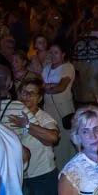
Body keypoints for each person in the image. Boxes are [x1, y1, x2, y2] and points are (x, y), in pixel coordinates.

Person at [42, 42, 76, 170]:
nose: (53, 55)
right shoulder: (46, 68)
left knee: (65, 141)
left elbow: (61, 86)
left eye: (56, 52)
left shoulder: (67, 67)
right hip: (48, 108)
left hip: (63, 109)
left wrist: (48, 88)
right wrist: (49, 87)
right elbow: (41, 86)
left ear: (63, 54)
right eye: (51, 52)